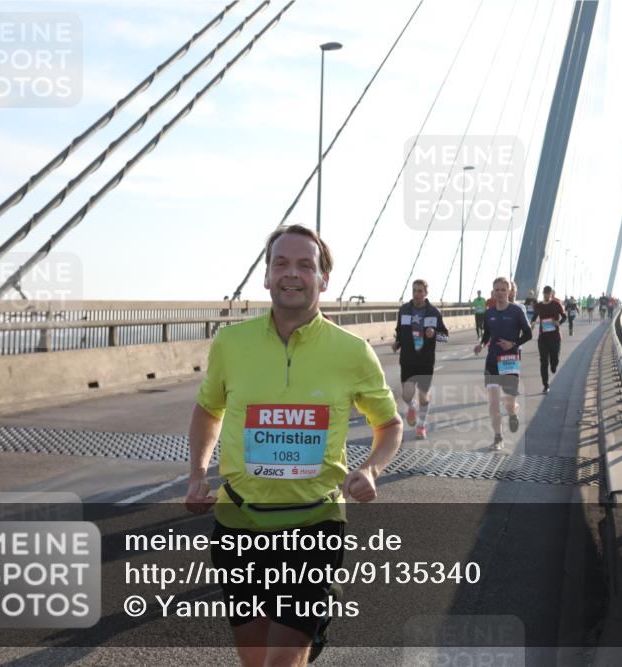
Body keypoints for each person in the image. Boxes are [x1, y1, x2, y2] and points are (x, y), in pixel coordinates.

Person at [185, 224, 403, 666]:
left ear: (324, 280)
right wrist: (196, 475)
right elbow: (209, 410)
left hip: (313, 527)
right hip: (237, 526)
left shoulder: (352, 352)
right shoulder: (231, 343)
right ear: (265, 276)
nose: (292, 273)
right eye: (280, 263)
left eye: (306, 265)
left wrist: (370, 469)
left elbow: (390, 425)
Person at [474, 277, 532, 451]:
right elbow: (487, 334)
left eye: (502, 290)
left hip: (509, 361)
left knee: (508, 403)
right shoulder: (489, 312)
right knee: (493, 403)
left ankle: (512, 412)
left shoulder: (516, 311)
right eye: (496, 290)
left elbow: (528, 334)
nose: (499, 293)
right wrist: (481, 344)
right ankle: (498, 437)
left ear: (509, 292)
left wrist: (513, 344)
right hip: (492, 361)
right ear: (493, 292)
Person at [392, 279, 449, 440]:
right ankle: (412, 407)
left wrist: (435, 334)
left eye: (420, 291)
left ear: (425, 293)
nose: (416, 294)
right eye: (414, 290)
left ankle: (421, 426)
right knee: (407, 395)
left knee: (424, 396)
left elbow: (445, 337)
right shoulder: (404, 310)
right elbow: (399, 331)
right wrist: (397, 342)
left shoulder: (433, 312)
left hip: (425, 360)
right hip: (408, 359)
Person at [530, 286, 567, 393]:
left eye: (548, 293)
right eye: (545, 293)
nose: (546, 295)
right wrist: (532, 323)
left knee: (554, 360)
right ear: (543, 294)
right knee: (543, 362)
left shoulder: (556, 304)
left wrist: (559, 323)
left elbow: (564, 316)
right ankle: (545, 385)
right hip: (543, 338)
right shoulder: (539, 305)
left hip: (555, 337)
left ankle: (554, 365)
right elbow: (534, 316)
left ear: (552, 294)